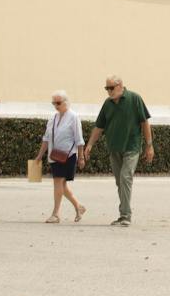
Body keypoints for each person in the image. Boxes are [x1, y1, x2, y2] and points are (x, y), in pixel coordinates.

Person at [82, 75, 152, 227]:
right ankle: (123, 215)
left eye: (111, 88)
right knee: (120, 183)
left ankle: (126, 215)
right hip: (114, 148)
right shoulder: (107, 104)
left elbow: (144, 122)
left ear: (120, 85)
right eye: (106, 88)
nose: (109, 91)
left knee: (125, 178)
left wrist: (149, 145)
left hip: (131, 147)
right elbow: (99, 126)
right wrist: (90, 144)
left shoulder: (135, 99)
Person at [35, 90, 87, 224]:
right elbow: (46, 138)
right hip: (54, 155)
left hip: (68, 156)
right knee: (62, 185)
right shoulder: (53, 118)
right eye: (54, 103)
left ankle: (56, 214)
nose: (56, 106)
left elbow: (79, 139)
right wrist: (39, 156)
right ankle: (78, 207)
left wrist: (81, 157)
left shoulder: (74, 117)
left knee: (58, 182)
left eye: (58, 103)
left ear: (66, 102)